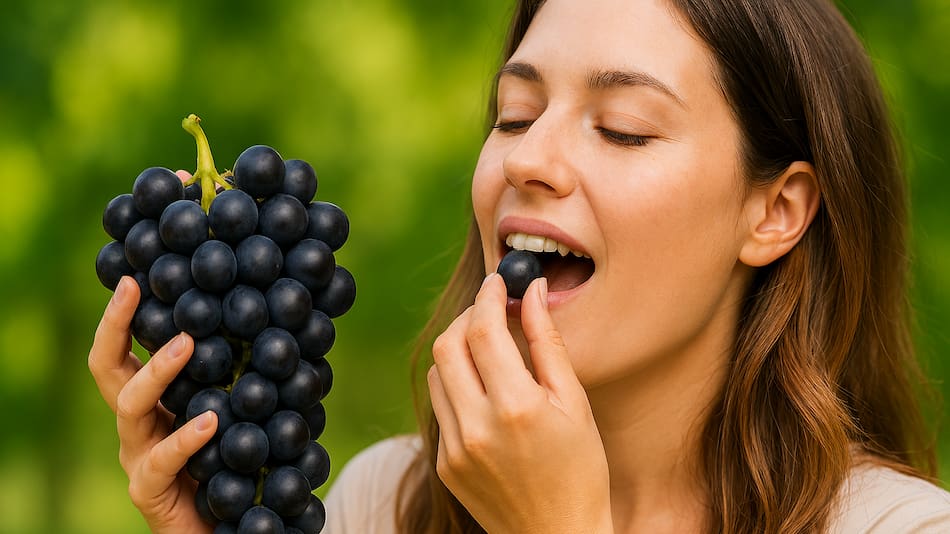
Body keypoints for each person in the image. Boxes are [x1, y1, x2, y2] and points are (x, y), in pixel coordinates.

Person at [88, 0, 950, 532]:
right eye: (514, 114)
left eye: (622, 128)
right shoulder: (381, 504)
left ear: (776, 212)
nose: (527, 158)